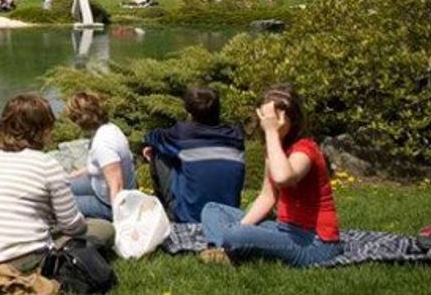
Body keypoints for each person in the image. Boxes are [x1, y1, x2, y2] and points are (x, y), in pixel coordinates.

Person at [0, 94, 113, 271]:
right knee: (105, 229)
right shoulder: (47, 165)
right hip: (22, 258)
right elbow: (72, 226)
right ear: (42, 130)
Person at [200, 85, 341, 267]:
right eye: (266, 118)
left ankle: (228, 244)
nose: (268, 122)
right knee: (213, 210)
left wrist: (272, 133)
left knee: (234, 234)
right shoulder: (275, 148)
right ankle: (223, 249)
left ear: (291, 118)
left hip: (315, 242)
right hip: (284, 229)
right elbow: (268, 196)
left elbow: (284, 178)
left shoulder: (306, 149)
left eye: (274, 118)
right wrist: (242, 226)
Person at [142, 86, 245, 223]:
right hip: (228, 215)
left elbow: (152, 137)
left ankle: (166, 214)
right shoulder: (236, 136)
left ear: (189, 111)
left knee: (158, 151)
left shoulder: (182, 134)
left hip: (190, 216)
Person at [65, 91, 135, 220]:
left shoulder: (103, 144)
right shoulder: (110, 128)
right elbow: (104, 166)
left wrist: (121, 224)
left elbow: (117, 186)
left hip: (108, 204)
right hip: (98, 187)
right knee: (60, 187)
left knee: (58, 204)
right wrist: (75, 174)